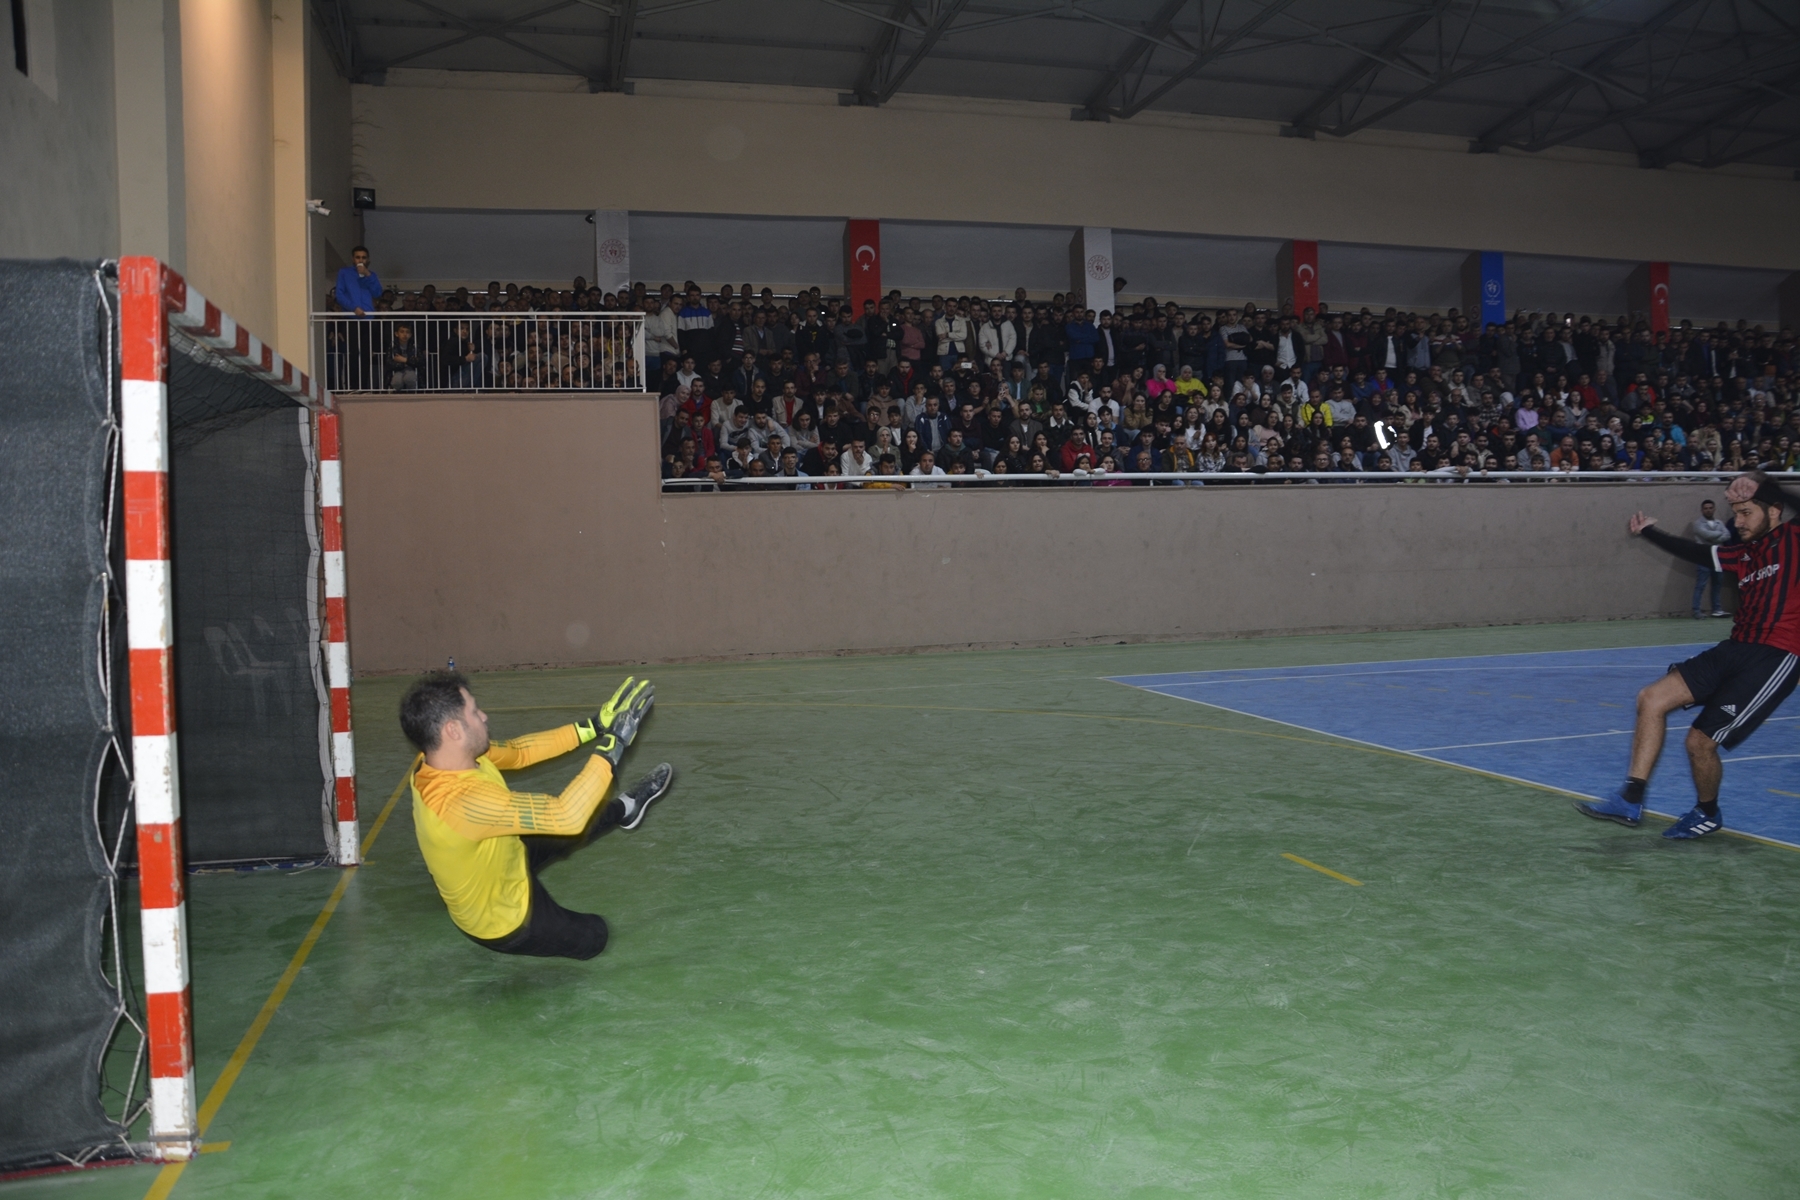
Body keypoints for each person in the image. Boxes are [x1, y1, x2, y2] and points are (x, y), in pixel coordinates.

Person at [1575, 473, 1800, 839]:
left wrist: (1766, 487)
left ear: (1774, 511)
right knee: (1651, 698)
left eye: (1746, 512)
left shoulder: (1794, 538)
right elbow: (1697, 553)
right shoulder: (1743, 554)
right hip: (1735, 648)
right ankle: (1630, 799)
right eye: (1736, 513)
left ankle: (1707, 813)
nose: (1738, 521)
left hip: (1775, 656)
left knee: (1699, 742)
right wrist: (1649, 532)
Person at [401, 672, 669, 959]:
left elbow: (519, 753)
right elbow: (566, 815)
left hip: (505, 852)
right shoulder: (460, 802)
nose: (484, 716)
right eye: (475, 711)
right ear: (453, 730)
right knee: (595, 935)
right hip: (503, 919)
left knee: (572, 823)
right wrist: (613, 745)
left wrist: (595, 726)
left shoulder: (442, 758)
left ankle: (626, 809)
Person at [333, 246, 382, 389]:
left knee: (366, 354)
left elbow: (378, 293)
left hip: (368, 319)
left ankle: (364, 387)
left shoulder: (371, 275)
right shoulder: (344, 273)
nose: (360, 260)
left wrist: (367, 274)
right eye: (358, 257)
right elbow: (339, 295)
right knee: (352, 353)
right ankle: (352, 387)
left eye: (363, 257)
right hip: (351, 318)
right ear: (353, 259)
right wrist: (353, 308)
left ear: (368, 260)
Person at [1689, 499, 1731, 618]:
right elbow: (1706, 535)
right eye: (1706, 508)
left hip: (1717, 557)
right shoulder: (1698, 524)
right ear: (1702, 510)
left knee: (1717, 584)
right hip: (1704, 557)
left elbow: (1727, 535)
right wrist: (1719, 535)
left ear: (1714, 509)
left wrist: (1713, 538)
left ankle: (1717, 609)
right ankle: (1696, 610)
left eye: (1710, 508)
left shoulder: (1719, 523)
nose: (1708, 510)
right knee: (1701, 584)